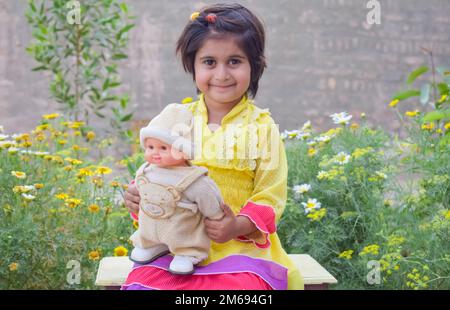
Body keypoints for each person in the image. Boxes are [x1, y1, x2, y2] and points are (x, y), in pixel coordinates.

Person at [122, 3, 303, 290]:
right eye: (209, 62)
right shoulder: (175, 119)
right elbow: (157, 169)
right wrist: (136, 194)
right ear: (192, 66)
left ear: (254, 66)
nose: (221, 74)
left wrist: (235, 226)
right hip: (175, 246)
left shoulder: (262, 127)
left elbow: (271, 196)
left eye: (234, 61)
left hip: (237, 249)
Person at [129, 103, 224, 275]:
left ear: (183, 152)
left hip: (182, 228)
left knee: (183, 234)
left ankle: (187, 253)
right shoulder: (146, 170)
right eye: (150, 147)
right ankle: (151, 244)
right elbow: (139, 190)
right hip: (152, 222)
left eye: (163, 148)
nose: (155, 153)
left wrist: (216, 216)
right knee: (148, 228)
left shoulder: (192, 179)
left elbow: (208, 197)